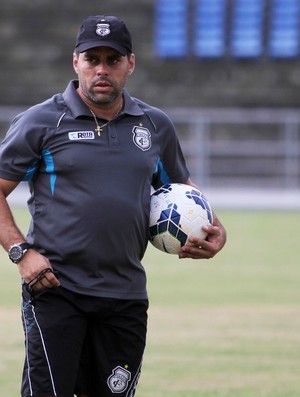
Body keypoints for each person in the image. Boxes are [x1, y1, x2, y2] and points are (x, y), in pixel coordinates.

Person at [0, 15, 226, 397]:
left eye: (113, 59)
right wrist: (22, 254)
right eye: (92, 59)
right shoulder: (42, 121)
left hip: (125, 296)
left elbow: (181, 188)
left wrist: (215, 230)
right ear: (76, 62)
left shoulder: (154, 125)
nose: (102, 69)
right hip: (56, 289)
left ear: (130, 64)